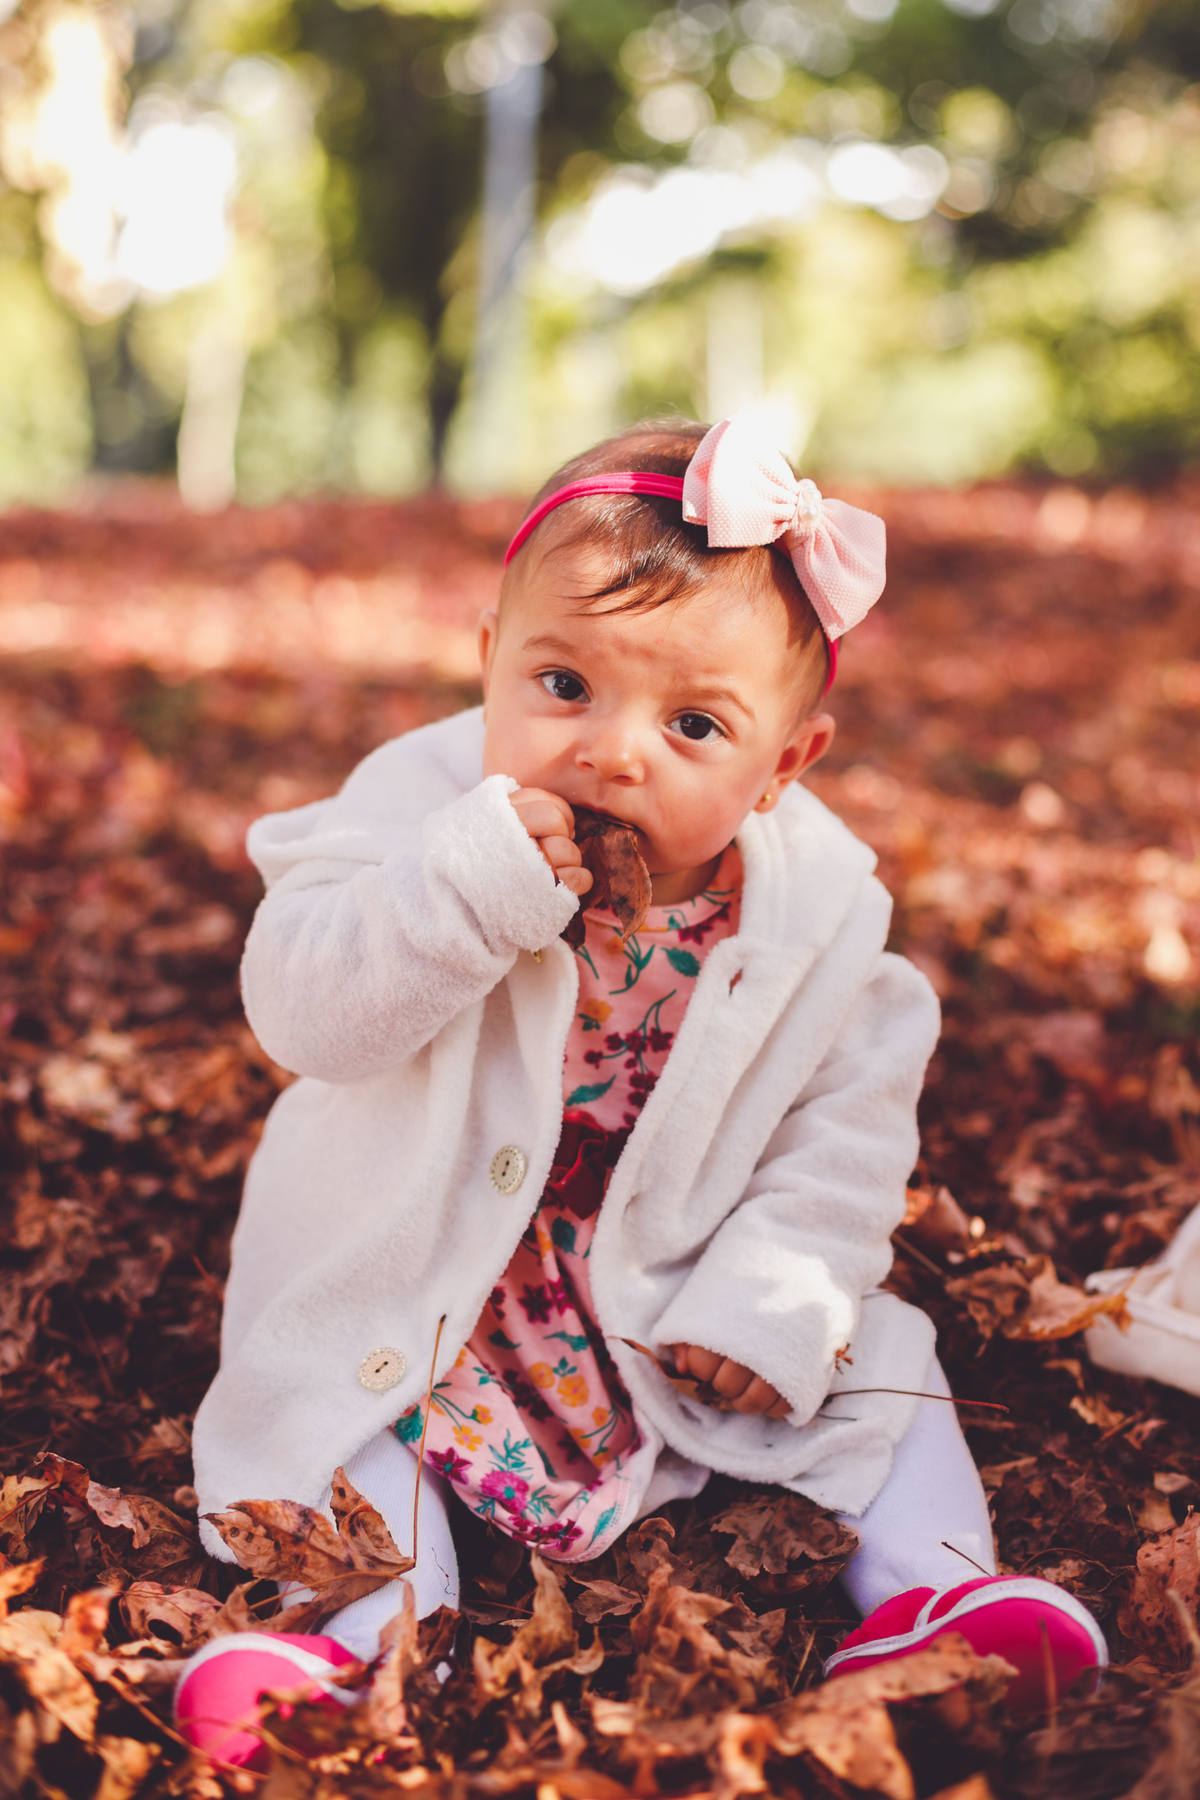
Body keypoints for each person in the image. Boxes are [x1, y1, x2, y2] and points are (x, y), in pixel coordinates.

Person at [177, 414, 1106, 1766]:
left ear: (784, 765)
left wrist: (771, 1291)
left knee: (881, 1370)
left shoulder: (818, 920)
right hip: (431, 1278)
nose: (616, 753)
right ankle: (357, 1649)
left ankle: (933, 1600)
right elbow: (304, 1014)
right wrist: (463, 893)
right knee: (343, 1417)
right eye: (563, 686)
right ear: (487, 658)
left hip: (670, 1290)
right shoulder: (409, 822)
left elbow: (841, 1146)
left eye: (693, 723)